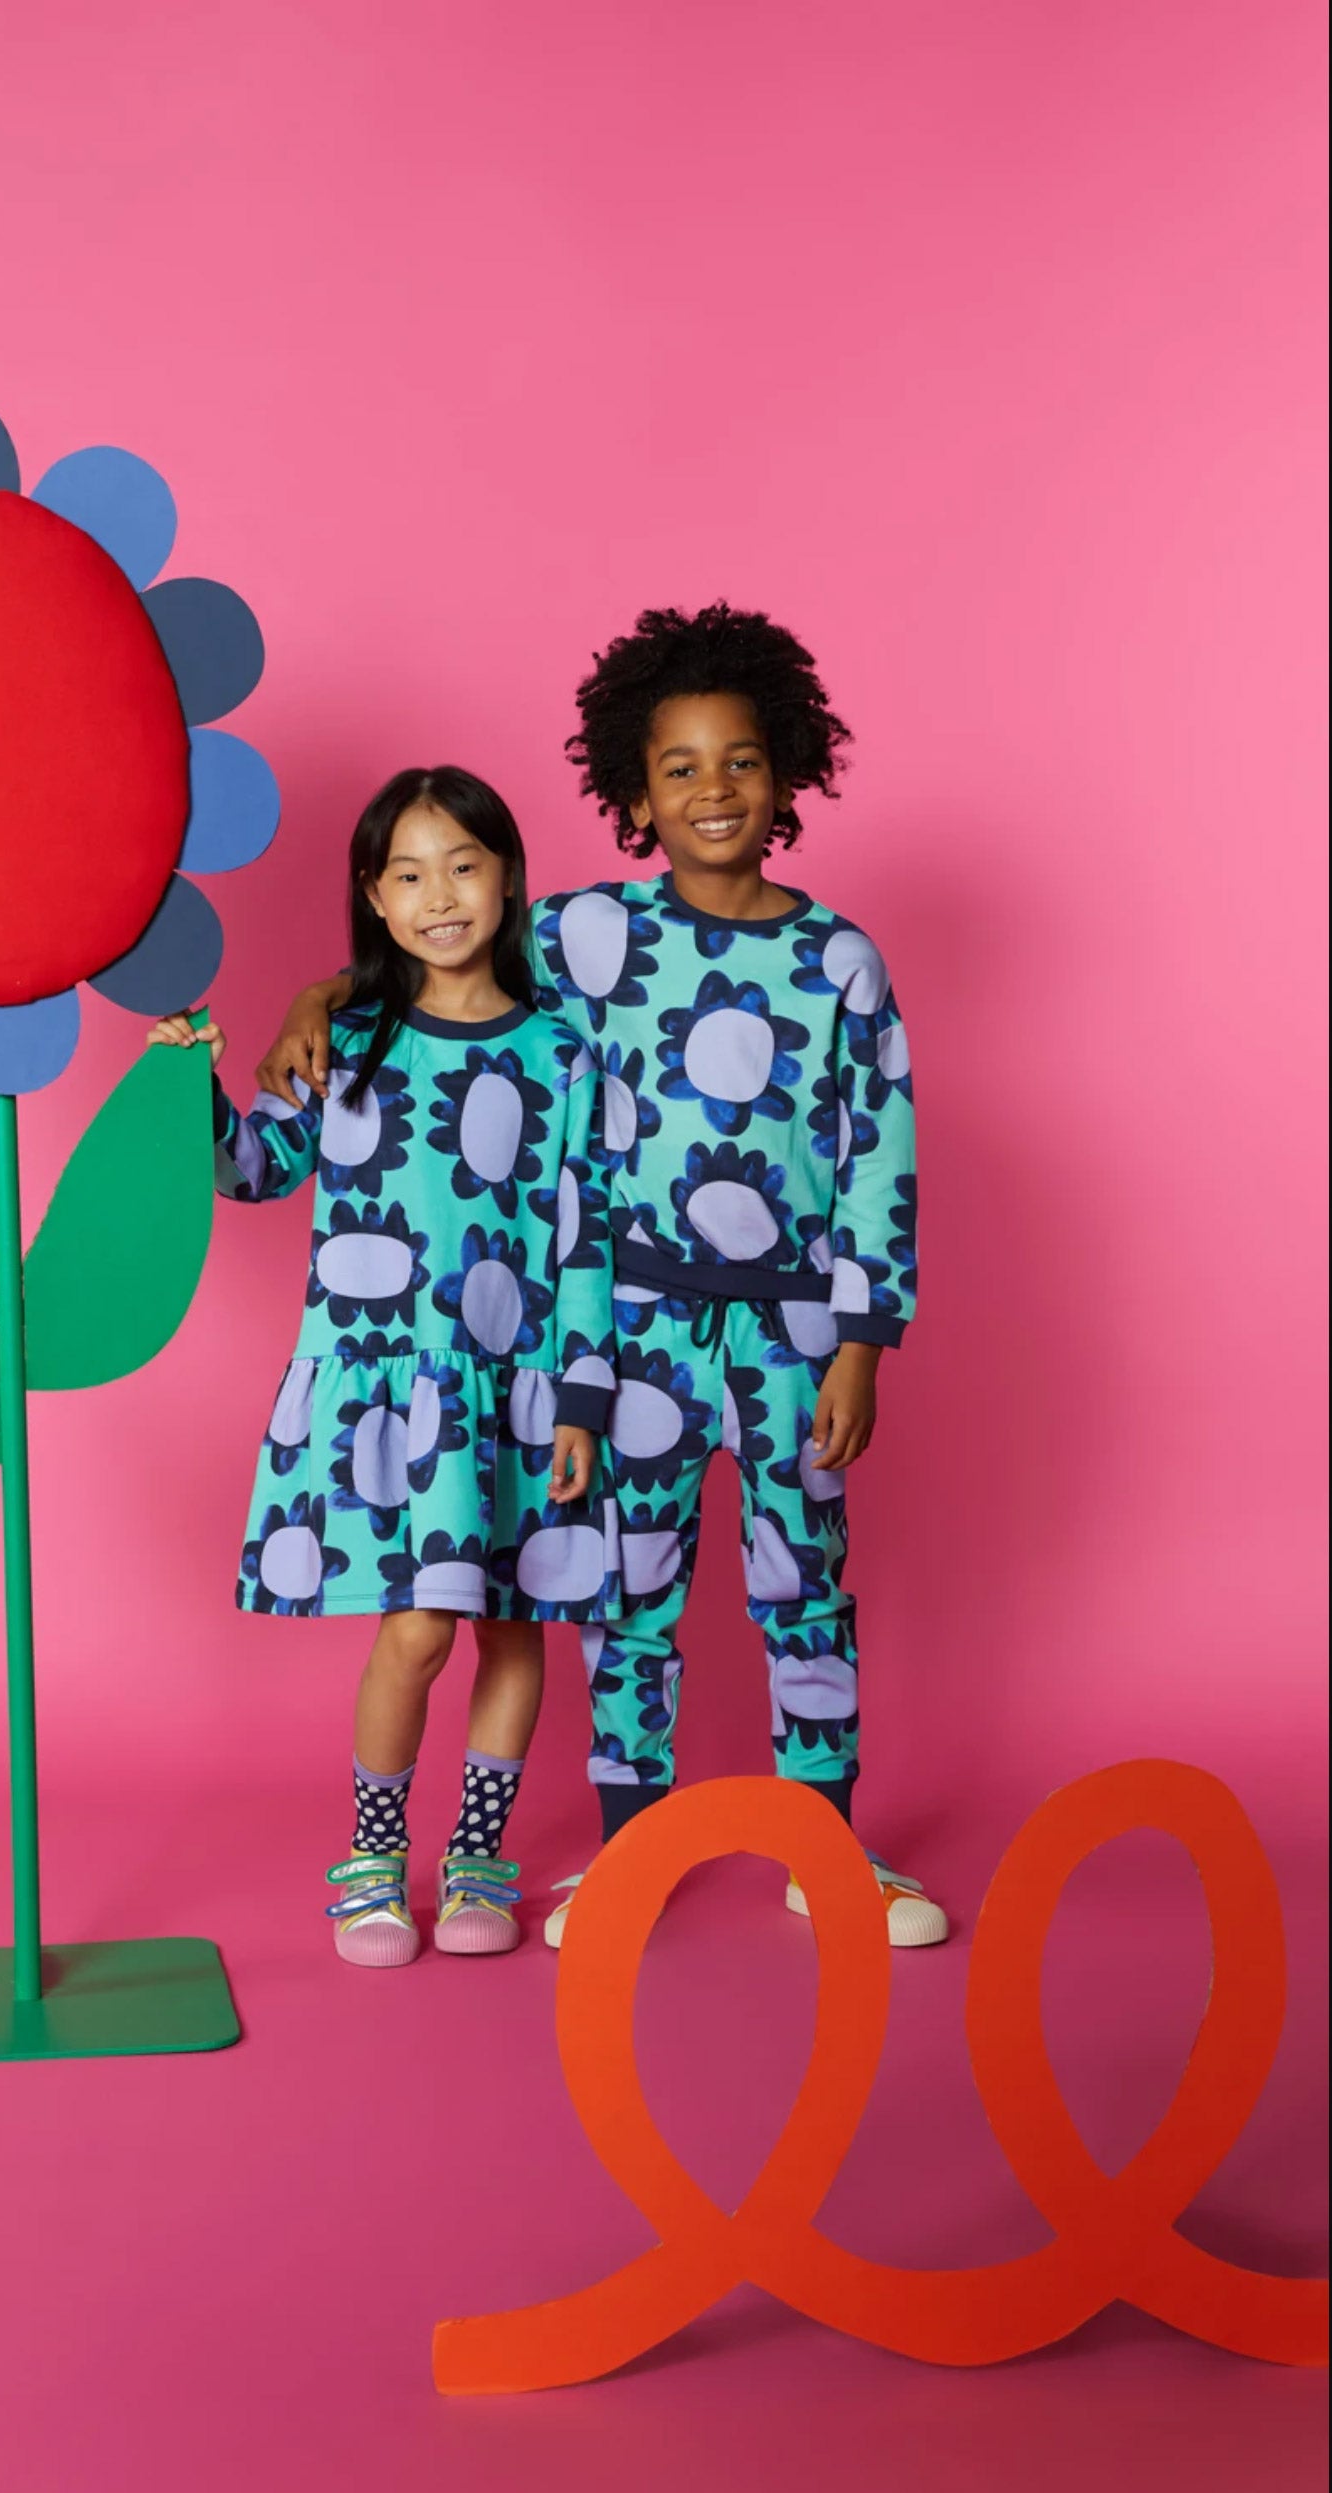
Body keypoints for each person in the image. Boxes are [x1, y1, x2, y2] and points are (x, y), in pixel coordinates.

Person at [253, 607, 949, 1948]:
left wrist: (861, 1343)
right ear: (632, 793)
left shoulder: (842, 961)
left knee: (805, 1578)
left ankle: (831, 1849)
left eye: (739, 762)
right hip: (627, 1325)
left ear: (786, 772)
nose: (712, 791)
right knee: (629, 1588)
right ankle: (634, 1853)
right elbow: (434, 968)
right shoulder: (579, 938)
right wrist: (309, 1005)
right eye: (678, 768)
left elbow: (879, 1159)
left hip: (799, 1325)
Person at [154, 765, 618, 1967]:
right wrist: (185, 1083)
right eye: (407, 873)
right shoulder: (347, 1040)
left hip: (517, 1388)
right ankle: (371, 1859)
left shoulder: (564, 1053)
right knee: (416, 1629)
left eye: (463, 865)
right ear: (372, 893)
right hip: (393, 1382)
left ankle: (476, 1860)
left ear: (508, 876)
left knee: (516, 1631)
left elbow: (582, 1239)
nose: (439, 894)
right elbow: (249, 1173)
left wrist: (575, 1400)